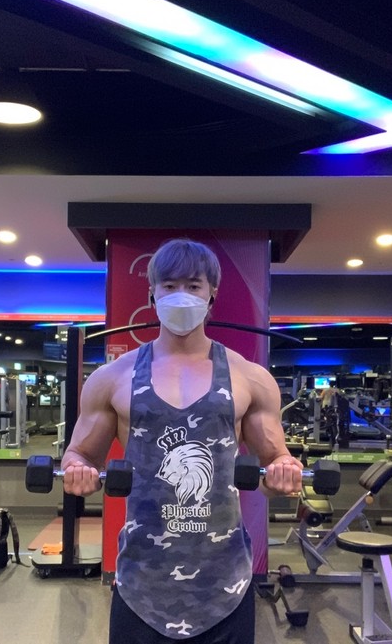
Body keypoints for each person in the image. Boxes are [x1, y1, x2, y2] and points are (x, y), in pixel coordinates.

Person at [61, 238, 302, 643]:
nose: (181, 296)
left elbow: (272, 464)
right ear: (152, 294)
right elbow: (80, 454)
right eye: (170, 286)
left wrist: (283, 472)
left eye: (193, 285)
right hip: (142, 582)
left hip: (225, 583)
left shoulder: (250, 378)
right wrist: (78, 471)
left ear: (212, 295)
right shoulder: (113, 378)